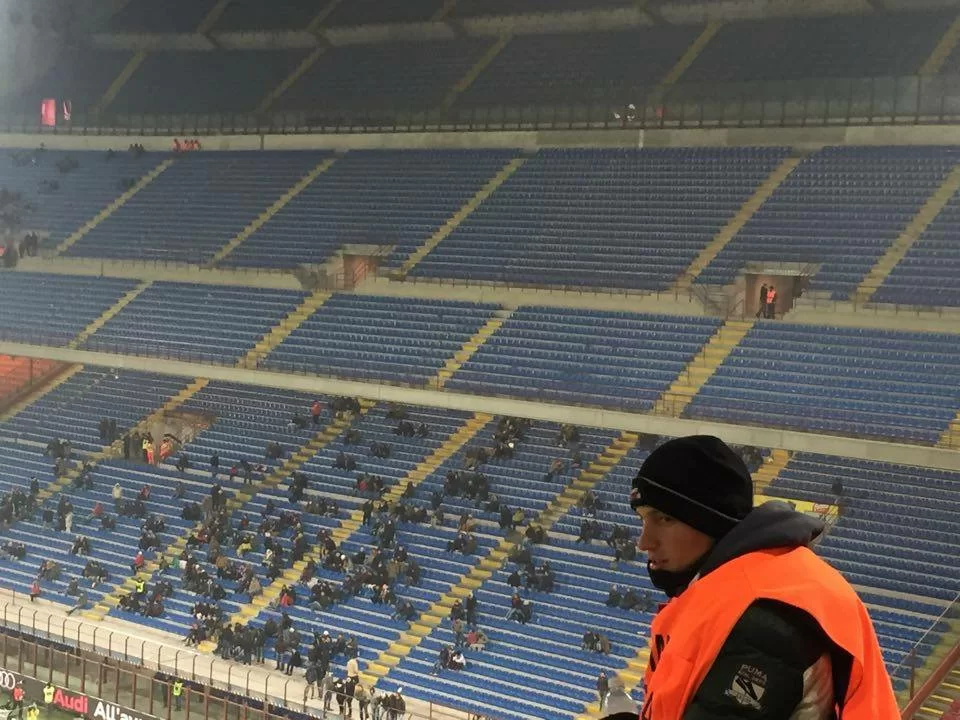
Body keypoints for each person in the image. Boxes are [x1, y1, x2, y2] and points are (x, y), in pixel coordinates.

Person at [623, 435, 899, 720]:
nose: (644, 542)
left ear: (710, 520)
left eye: (664, 519)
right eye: (642, 519)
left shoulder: (763, 617)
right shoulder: (747, 584)